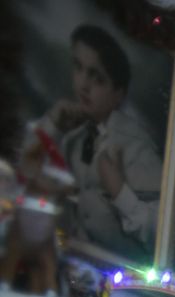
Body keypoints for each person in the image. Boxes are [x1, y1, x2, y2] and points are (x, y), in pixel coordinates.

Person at [34, 24, 163, 260]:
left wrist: (119, 190)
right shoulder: (73, 137)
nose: (83, 84)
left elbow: (161, 235)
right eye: (79, 68)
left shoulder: (135, 146)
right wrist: (51, 126)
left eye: (98, 78)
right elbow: (24, 177)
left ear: (119, 94)